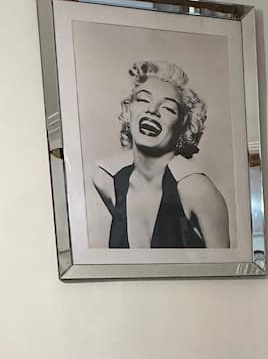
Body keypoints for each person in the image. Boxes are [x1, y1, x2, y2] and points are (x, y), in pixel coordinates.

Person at [93, 60, 230, 249]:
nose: (152, 110)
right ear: (128, 111)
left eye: (168, 108)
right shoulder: (107, 184)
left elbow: (225, 266)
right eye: (143, 100)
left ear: (184, 126)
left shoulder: (197, 191)